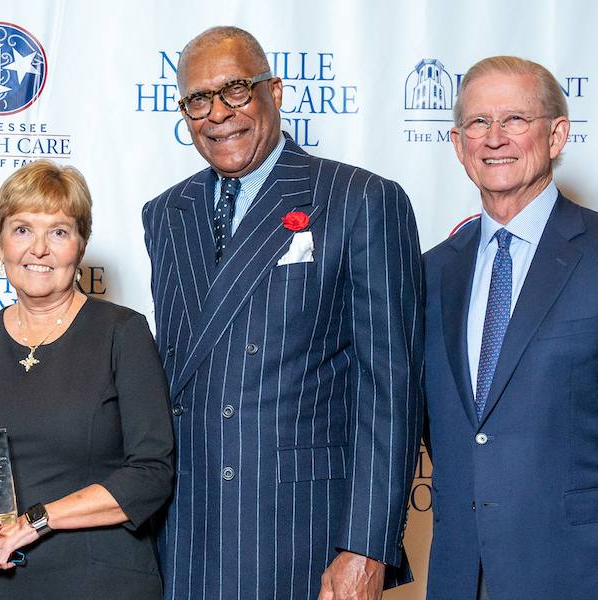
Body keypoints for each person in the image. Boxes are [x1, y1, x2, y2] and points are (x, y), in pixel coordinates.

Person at [141, 26, 425, 600]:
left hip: (303, 531)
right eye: (198, 99)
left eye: (236, 90)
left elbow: (391, 392)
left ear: (274, 90)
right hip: (184, 532)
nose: (218, 113)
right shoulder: (166, 214)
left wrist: (367, 547)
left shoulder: (361, 199)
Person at [421, 56, 598, 600]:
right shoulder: (431, 273)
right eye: (477, 124)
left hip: (597, 576)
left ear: (556, 135)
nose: (494, 138)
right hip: (467, 577)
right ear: (458, 145)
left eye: (514, 119)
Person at [0, 160, 175, 598]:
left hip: (97, 577)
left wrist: (35, 521)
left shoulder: (122, 333)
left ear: (80, 246)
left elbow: (152, 472)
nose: (39, 249)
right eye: (22, 229)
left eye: (59, 231)